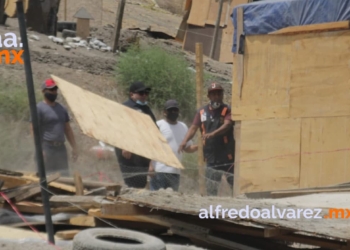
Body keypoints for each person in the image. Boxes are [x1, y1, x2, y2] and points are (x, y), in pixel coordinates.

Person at [178, 83, 235, 196]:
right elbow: (193, 128)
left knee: (235, 186)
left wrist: (213, 133)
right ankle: (211, 212)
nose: (216, 96)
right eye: (213, 94)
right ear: (209, 96)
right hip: (211, 158)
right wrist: (184, 141)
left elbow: (227, 125)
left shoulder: (227, 110)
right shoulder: (202, 112)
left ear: (222, 95)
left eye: (219, 93)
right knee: (211, 190)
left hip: (228, 158)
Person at [30, 78, 78, 176]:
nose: (54, 92)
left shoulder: (61, 109)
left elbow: (68, 129)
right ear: (44, 91)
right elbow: (33, 129)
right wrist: (40, 149)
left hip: (61, 148)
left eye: (55, 89)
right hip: (47, 147)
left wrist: (74, 147)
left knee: (64, 178)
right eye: (51, 90)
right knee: (47, 177)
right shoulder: (39, 108)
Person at [114, 81, 157, 189]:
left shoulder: (146, 110)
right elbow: (118, 129)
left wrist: (152, 160)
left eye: (146, 93)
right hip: (129, 153)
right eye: (141, 93)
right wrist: (125, 145)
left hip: (143, 153)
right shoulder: (125, 107)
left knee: (141, 184)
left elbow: (154, 132)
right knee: (132, 184)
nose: (144, 96)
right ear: (131, 94)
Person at [148, 100, 198, 191]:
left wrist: (199, 147)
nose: (173, 112)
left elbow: (187, 148)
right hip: (159, 171)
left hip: (175, 172)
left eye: (176, 110)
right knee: (156, 201)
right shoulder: (159, 125)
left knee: (171, 201)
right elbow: (150, 146)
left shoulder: (183, 126)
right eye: (170, 110)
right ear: (164, 112)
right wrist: (150, 165)